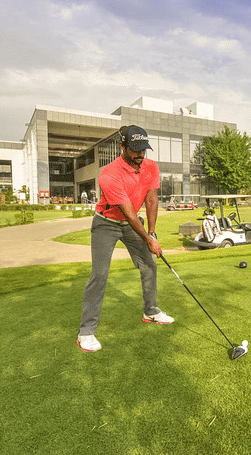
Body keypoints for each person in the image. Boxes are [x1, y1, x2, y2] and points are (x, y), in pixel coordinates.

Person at [77, 125, 174, 353]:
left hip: (133, 224)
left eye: (143, 149)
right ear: (122, 147)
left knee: (149, 265)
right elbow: (128, 212)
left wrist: (152, 232)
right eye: (135, 149)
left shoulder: (151, 167)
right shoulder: (109, 174)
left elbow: (151, 199)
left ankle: (150, 311)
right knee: (99, 275)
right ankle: (86, 332)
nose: (140, 155)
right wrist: (149, 240)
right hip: (106, 223)